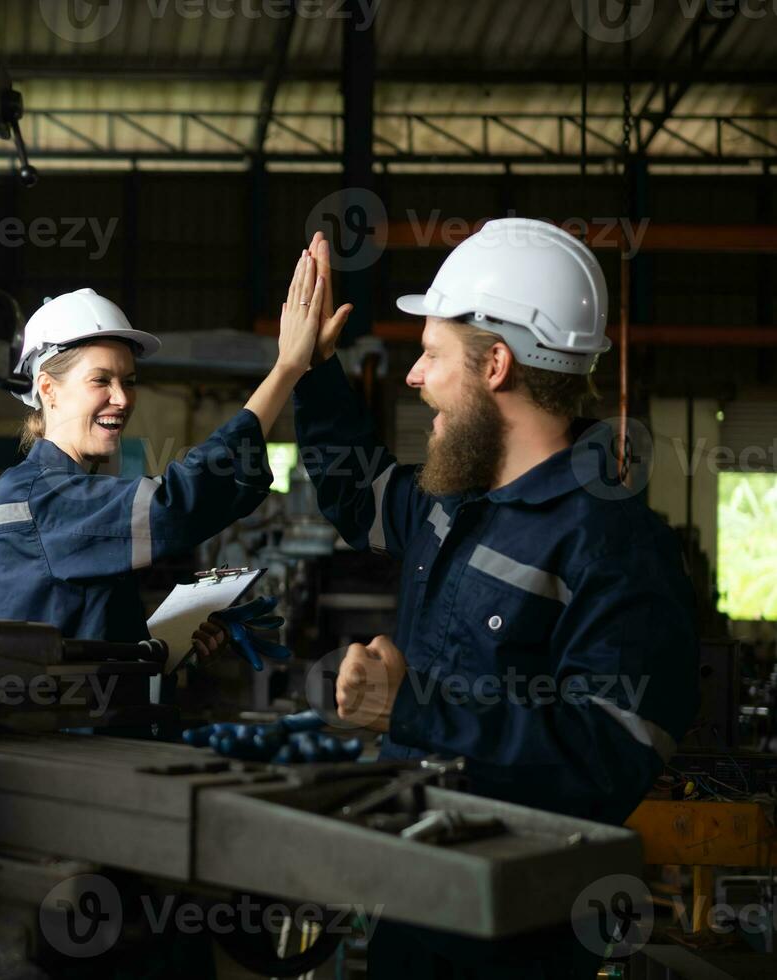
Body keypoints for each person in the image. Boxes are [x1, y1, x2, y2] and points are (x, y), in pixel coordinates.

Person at [294, 220, 698, 977]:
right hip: (411, 907)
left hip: (512, 944)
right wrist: (312, 368)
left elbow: (611, 759)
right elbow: (362, 494)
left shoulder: (610, 544)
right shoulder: (459, 499)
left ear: (497, 366)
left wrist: (412, 708)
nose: (415, 377)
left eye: (432, 354)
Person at [0, 251, 341, 645]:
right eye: (101, 380)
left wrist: (164, 642)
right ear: (48, 389)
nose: (122, 398)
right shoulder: (40, 497)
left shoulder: (53, 490)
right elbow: (177, 503)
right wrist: (287, 368)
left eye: (129, 381)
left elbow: (80, 628)